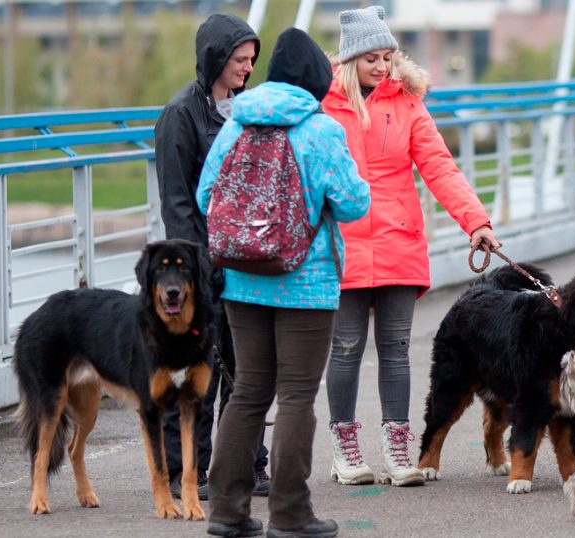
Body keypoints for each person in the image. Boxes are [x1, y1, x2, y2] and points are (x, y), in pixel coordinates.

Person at [197, 28, 371, 538]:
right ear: (319, 80)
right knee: (296, 395)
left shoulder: (236, 122)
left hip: (242, 280)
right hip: (305, 282)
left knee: (249, 389)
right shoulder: (320, 130)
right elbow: (354, 203)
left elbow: (208, 195)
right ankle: (291, 514)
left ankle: (227, 514)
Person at [320, 5, 500, 487]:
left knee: (396, 348)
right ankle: (345, 448)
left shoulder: (407, 103)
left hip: (399, 241)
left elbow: (438, 165)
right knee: (346, 347)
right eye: (371, 58)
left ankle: (399, 450)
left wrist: (475, 221)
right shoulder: (324, 104)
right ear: (349, 60)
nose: (382, 67)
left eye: (388, 56)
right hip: (343, 244)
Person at [153, 12, 270, 500]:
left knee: (246, 370)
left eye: (251, 60)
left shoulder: (247, 108)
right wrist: (200, 270)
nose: (247, 68)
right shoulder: (180, 115)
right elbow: (177, 203)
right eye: (240, 60)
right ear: (215, 59)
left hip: (247, 262)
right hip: (202, 268)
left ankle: (245, 464)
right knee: (201, 370)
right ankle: (190, 470)